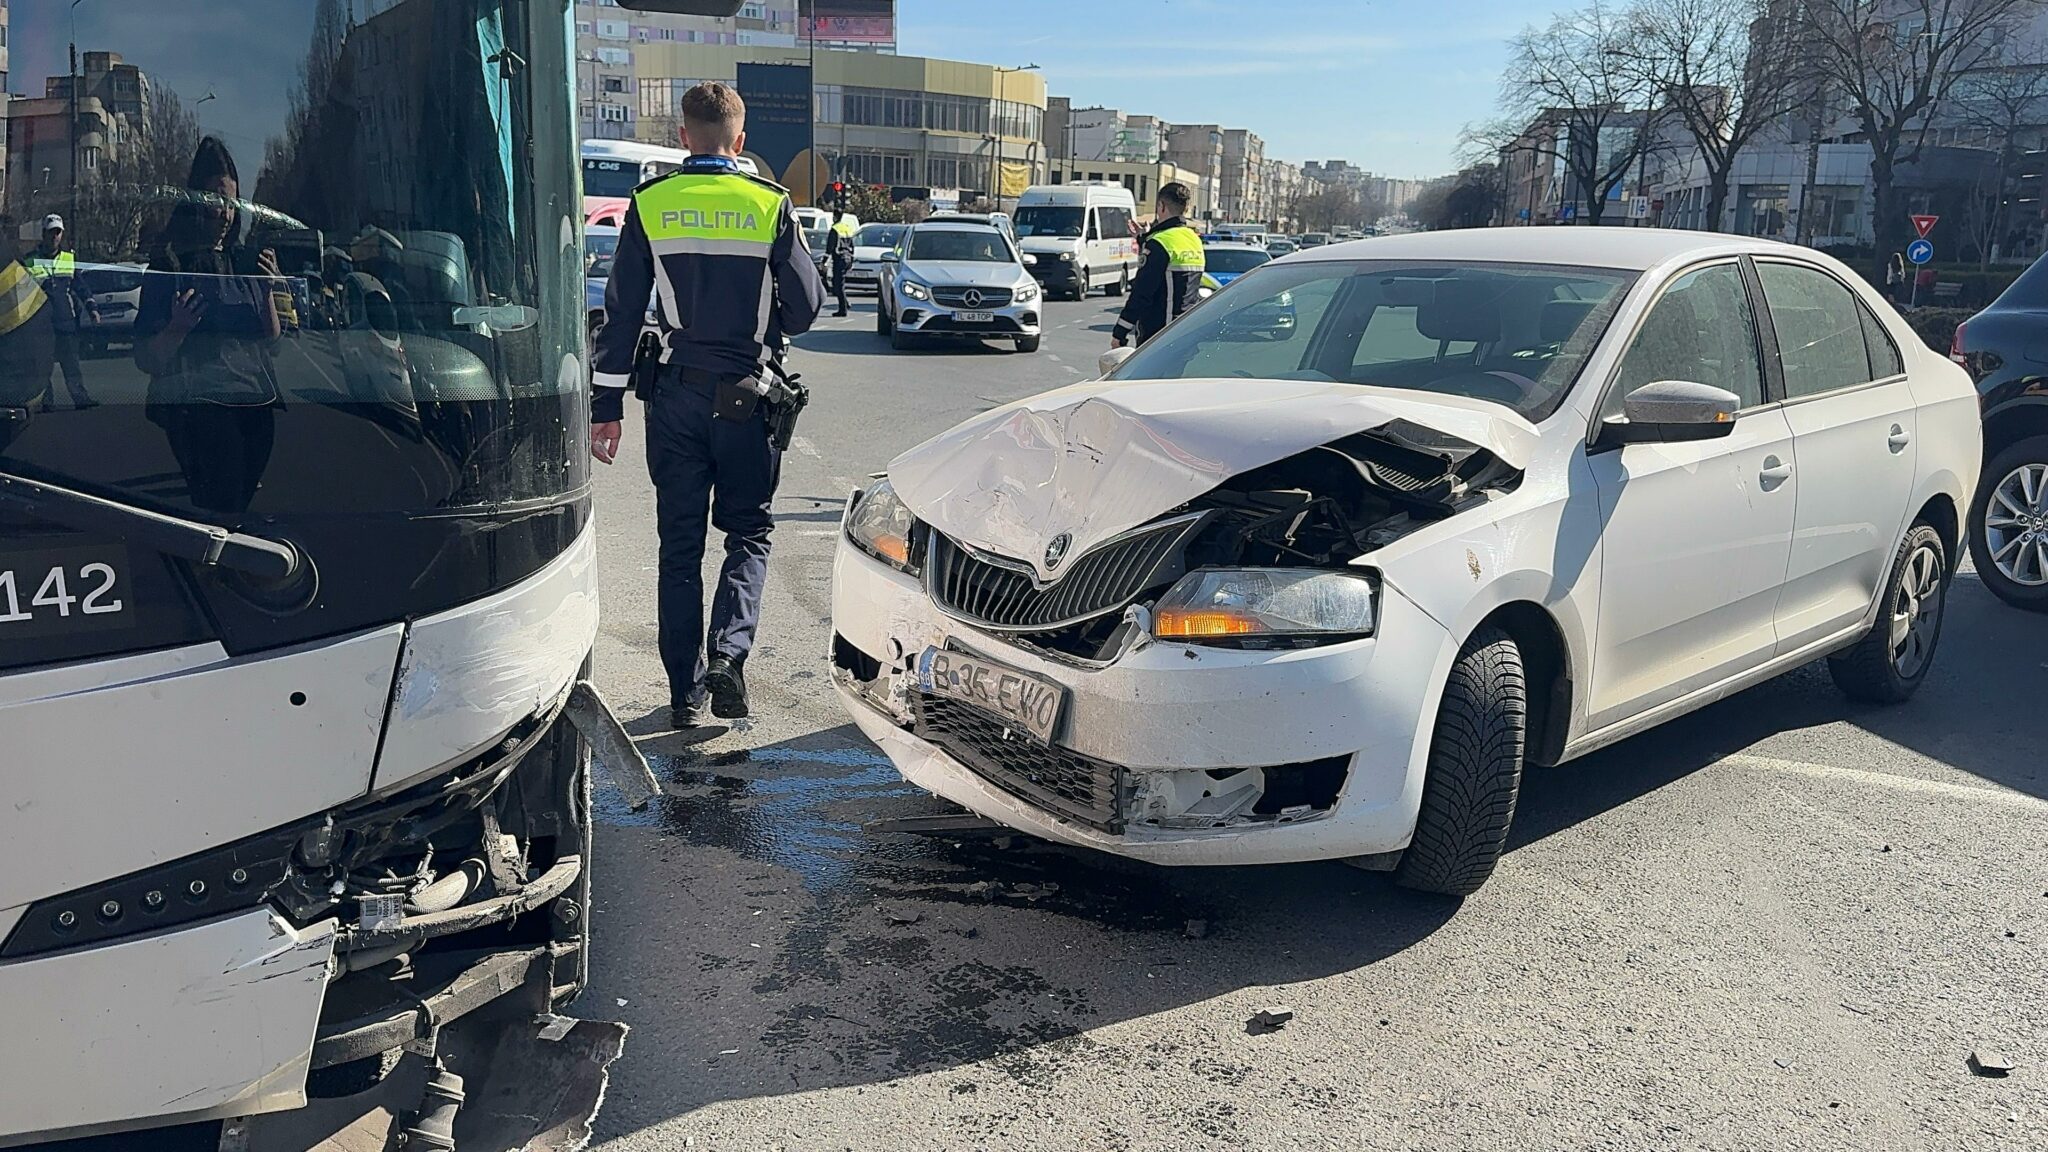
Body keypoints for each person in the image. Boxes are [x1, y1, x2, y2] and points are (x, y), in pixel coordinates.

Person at [589, 81, 825, 728]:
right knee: (747, 533)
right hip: (749, 397)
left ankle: (681, 694)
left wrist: (604, 408)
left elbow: (621, 312)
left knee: (680, 548)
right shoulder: (769, 204)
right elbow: (804, 312)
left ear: (683, 137)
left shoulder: (651, 203)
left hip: (674, 400)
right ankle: (729, 655)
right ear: (740, 141)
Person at [134, 136, 286, 514]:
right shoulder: (170, 265)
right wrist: (177, 328)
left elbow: (273, 343)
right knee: (220, 513)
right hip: (199, 412)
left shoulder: (245, 262)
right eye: (215, 201)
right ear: (195, 203)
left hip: (256, 409)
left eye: (232, 203)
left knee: (237, 508)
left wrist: (268, 292)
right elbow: (146, 358)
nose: (225, 213)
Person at [1111, 182, 1205, 348]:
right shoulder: (1194, 240)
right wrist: (1143, 239)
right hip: (1187, 332)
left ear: (1161, 206)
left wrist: (1120, 332)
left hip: (1159, 337)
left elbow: (1142, 293)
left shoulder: (1159, 243)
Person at [24, 215, 98, 410]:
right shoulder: (30, 261)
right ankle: (47, 403)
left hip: (66, 321)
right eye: (51, 233)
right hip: (42, 325)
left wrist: (92, 307)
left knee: (71, 365)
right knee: (43, 367)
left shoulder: (69, 258)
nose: (54, 237)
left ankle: (80, 398)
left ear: (62, 235)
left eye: (57, 232)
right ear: (43, 235)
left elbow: (80, 286)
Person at [828, 208, 856, 318]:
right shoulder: (847, 228)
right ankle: (845, 303)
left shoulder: (835, 229)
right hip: (847, 258)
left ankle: (842, 309)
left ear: (835, 216)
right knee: (840, 284)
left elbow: (830, 247)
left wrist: (825, 261)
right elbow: (852, 246)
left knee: (838, 285)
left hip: (839, 259)